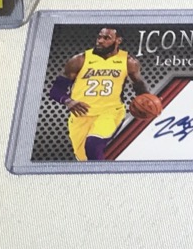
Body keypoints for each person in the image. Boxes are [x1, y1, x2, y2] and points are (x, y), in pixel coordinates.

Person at [48, 26, 149, 161]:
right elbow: (55, 90)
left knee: (92, 145)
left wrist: (149, 100)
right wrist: (68, 101)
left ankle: (102, 174)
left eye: (107, 38)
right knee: (84, 158)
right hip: (80, 114)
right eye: (99, 37)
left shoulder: (128, 61)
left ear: (118, 40)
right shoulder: (79, 60)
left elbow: (138, 86)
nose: (100, 41)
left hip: (110, 112)